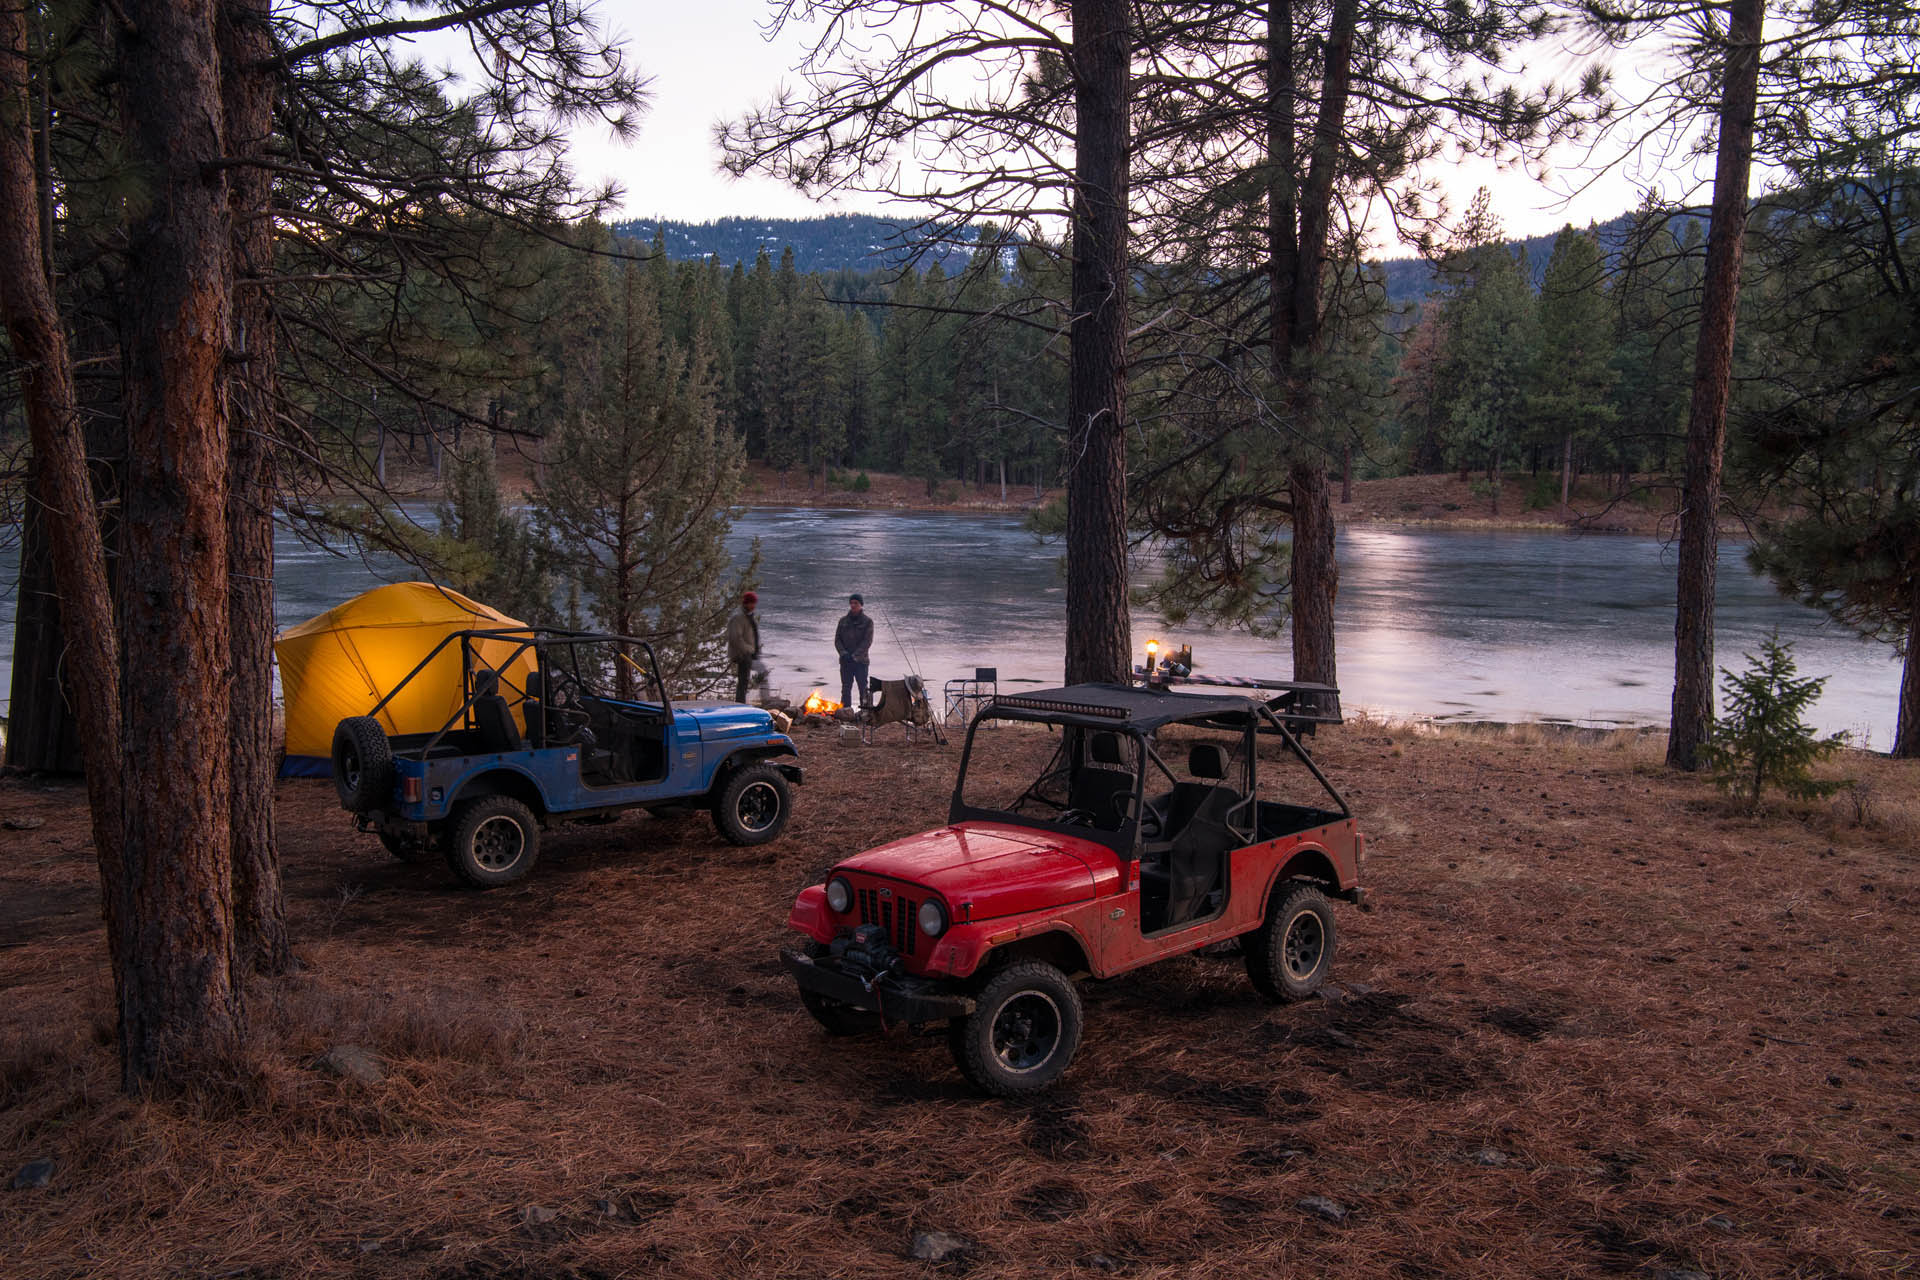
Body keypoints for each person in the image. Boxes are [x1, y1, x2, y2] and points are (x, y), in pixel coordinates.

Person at [835, 593, 874, 710]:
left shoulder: (868, 622)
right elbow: (837, 640)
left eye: (856, 603)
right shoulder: (843, 621)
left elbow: (867, 642)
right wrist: (843, 653)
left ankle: (865, 713)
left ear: (861, 605)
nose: (853, 605)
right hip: (845, 661)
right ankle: (845, 712)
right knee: (846, 688)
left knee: (863, 687)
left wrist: (855, 656)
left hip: (861, 661)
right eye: (851, 603)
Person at [726, 591, 761, 703]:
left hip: (748, 654)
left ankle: (741, 703)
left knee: (745, 681)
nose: (753, 606)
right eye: (751, 603)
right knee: (743, 681)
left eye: (754, 603)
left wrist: (755, 650)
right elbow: (735, 638)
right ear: (745, 603)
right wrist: (750, 649)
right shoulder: (739, 618)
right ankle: (740, 704)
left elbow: (752, 635)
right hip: (741, 654)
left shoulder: (749, 617)